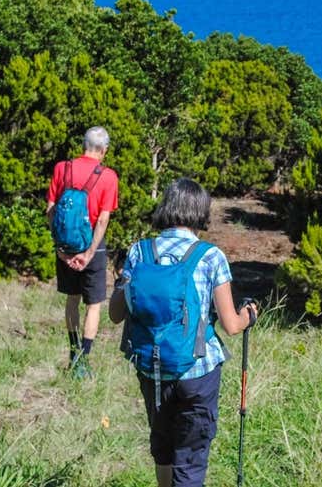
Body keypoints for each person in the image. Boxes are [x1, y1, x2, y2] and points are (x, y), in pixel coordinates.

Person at [109, 177, 258, 487]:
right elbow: (231, 325)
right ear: (201, 212)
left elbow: (114, 314)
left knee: (162, 446)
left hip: (152, 368)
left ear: (167, 206)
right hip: (198, 371)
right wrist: (249, 315)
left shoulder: (140, 252)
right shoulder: (210, 256)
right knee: (190, 459)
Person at [46, 126, 119, 378]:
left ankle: (72, 350)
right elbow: (102, 220)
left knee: (72, 300)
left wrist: (61, 249)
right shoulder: (108, 176)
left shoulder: (61, 169)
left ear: (83, 145)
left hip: (65, 245)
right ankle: (83, 361)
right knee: (94, 305)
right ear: (104, 150)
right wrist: (89, 253)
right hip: (93, 248)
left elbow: (51, 211)